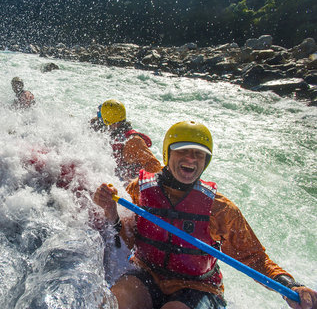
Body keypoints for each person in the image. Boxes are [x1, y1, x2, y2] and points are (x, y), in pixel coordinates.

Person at [93, 120, 317, 309]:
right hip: (148, 274)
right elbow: (128, 238)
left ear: (206, 161)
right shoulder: (138, 189)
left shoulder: (220, 209)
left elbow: (255, 259)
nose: (191, 159)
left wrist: (290, 285)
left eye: (199, 154)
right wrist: (111, 211)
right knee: (114, 302)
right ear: (168, 152)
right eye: (183, 151)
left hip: (198, 286)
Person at [97, 99, 161, 182]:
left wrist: (134, 182)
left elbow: (155, 168)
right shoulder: (111, 138)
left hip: (133, 187)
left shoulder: (133, 141)